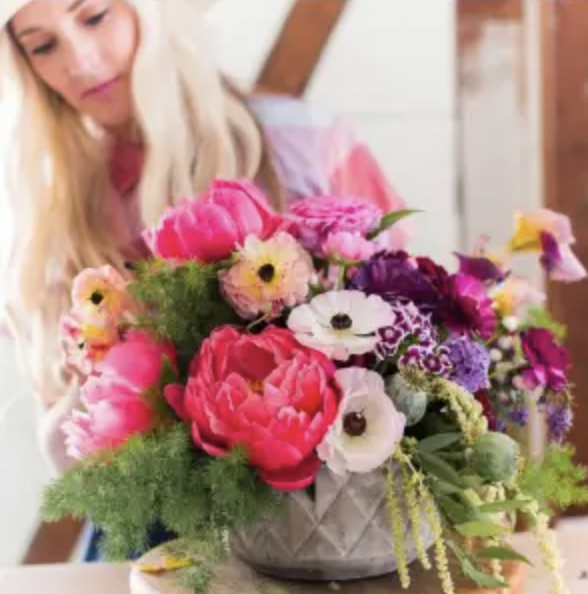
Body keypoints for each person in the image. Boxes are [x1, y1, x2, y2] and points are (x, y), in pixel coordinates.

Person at [0, 0, 405, 559]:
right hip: (155, 535)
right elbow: (79, 464)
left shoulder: (305, 142)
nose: (82, 61)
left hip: (320, 517)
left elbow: (405, 337)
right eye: (43, 45)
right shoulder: (56, 220)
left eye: (95, 16)